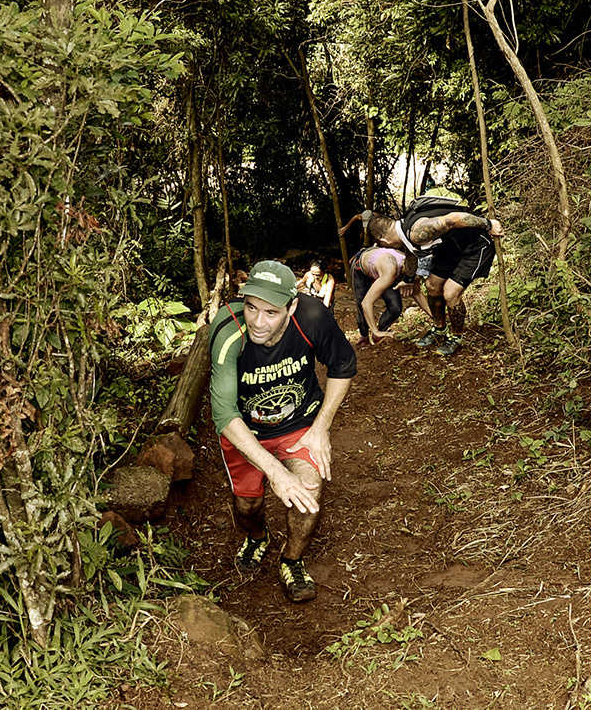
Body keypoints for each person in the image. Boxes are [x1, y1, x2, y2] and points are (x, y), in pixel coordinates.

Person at [209, 260, 356, 602]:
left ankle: (292, 559)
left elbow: (343, 366)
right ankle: (257, 537)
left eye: (271, 312)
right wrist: (275, 472)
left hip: (299, 422)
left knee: (307, 494)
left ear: (291, 307)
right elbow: (224, 413)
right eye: (251, 307)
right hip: (244, 430)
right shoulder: (228, 329)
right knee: (247, 506)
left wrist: (321, 428)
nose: (258, 322)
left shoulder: (312, 317)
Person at [363, 196, 504, 356]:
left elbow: (453, 219)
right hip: (451, 248)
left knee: (450, 293)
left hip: (475, 245)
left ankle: (456, 337)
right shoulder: (404, 230)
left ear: (383, 240)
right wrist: (409, 279)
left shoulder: (417, 232)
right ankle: (439, 328)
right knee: (432, 285)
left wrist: (488, 224)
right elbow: (412, 253)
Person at [349, 245, 412, 345]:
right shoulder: (390, 271)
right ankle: (364, 335)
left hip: (383, 271)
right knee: (362, 305)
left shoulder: (412, 268)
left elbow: (418, 294)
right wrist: (375, 331)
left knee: (395, 308)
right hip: (361, 269)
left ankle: (379, 333)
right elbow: (366, 303)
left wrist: (435, 319)